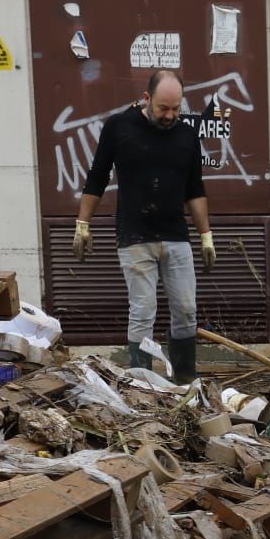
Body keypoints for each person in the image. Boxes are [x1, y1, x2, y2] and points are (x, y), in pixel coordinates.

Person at [74, 69, 215, 380]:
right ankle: (141, 386)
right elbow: (97, 177)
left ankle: (185, 380)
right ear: (146, 98)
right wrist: (82, 223)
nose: (170, 115)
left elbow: (195, 190)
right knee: (143, 312)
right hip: (135, 236)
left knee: (187, 310)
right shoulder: (119, 127)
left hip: (176, 235)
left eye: (177, 108)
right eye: (163, 108)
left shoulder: (187, 135)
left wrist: (206, 235)